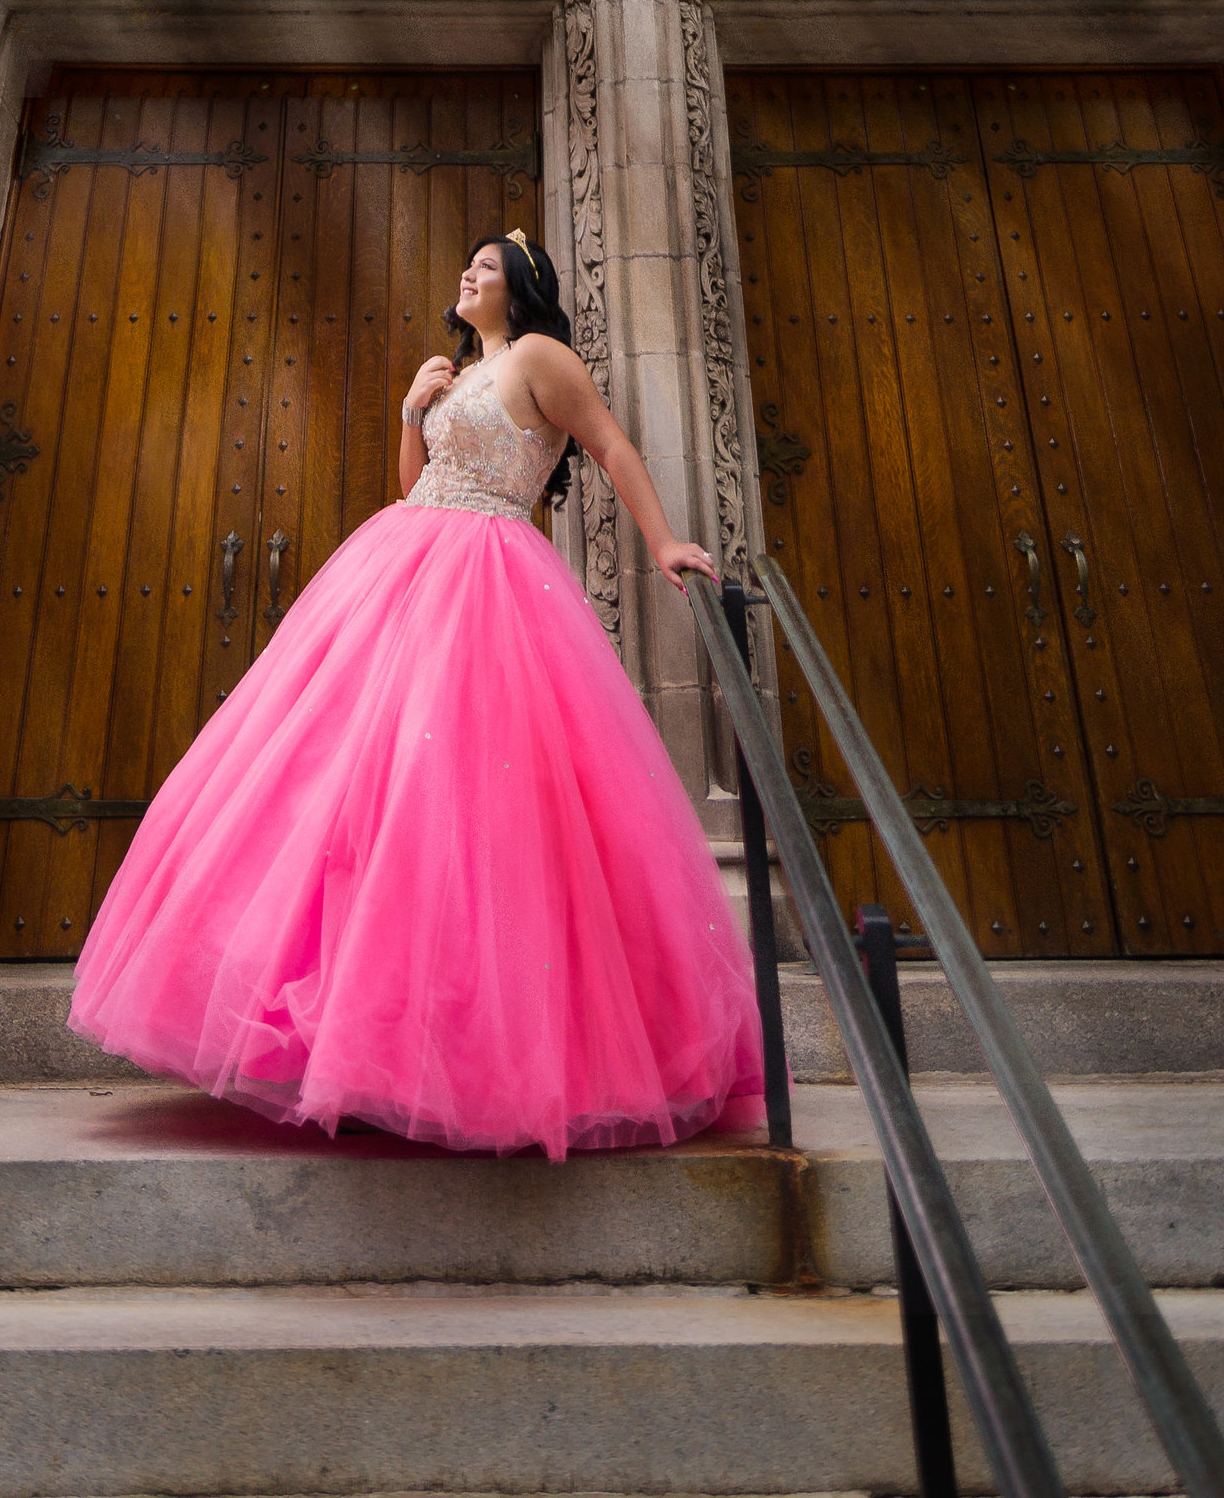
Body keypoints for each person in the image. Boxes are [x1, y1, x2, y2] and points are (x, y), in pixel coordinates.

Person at [68, 227, 762, 1157]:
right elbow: (415, 486)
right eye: (465, 264)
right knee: (348, 785)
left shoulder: (540, 357)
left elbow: (608, 447)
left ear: (519, 285)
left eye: (483, 265)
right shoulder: (452, 373)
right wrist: (410, 411)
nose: (467, 274)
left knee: (466, 804)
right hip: (403, 566)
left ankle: (471, 1048)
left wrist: (664, 540)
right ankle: (349, 1042)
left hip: (489, 580)